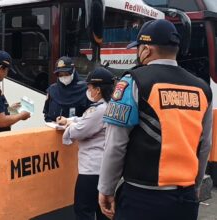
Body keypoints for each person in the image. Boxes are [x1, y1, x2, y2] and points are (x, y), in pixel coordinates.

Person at [98, 19, 213, 220]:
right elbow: (205, 145)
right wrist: (194, 187)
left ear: (147, 50)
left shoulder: (133, 82)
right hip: (184, 199)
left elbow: (115, 144)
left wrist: (106, 188)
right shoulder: (202, 88)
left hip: (141, 198)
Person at [57, 67, 115, 220]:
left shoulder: (99, 110)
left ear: (98, 90)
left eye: (89, 87)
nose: (88, 90)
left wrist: (68, 127)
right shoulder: (111, 106)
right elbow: (85, 120)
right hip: (106, 167)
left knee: (83, 210)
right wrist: (70, 120)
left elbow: (79, 130)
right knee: (103, 210)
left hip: (91, 169)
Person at [43, 56, 90, 122]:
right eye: (60, 75)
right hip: (54, 129)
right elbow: (47, 114)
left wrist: (70, 122)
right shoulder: (52, 90)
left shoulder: (85, 90)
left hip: (77, 130)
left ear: (73, 71)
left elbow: (90, 118)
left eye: (66, 74)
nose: (64, 77)